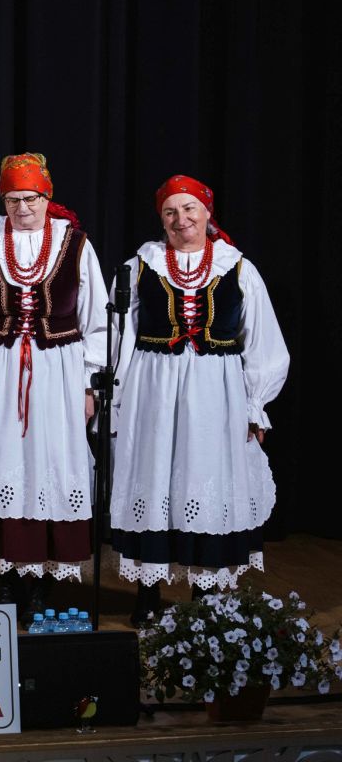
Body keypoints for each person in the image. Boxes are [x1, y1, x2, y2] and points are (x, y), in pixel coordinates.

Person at [110, 175, 289, 622]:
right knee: (154, 478)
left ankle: (204, 595)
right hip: (153, 388)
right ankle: (147, 592)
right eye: (170, 211)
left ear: (208, 213)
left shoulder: (237, 267)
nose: (181, 219)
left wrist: (255, 406)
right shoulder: (140, 266)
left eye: (189, 209)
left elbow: (264, 342)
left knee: (206, 478)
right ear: (161, 219)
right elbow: (119, 338)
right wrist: (117, 400)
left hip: (216, 391)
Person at [0, 153, 108, 614]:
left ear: (47, 197)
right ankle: (7, 576)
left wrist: (88, 385)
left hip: (57, 372)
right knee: (0, 461)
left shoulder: (76, 245)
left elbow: (97, 322)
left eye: (31, 198)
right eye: (13, 200)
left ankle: (43, 579)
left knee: (51, 461)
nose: (23, 208)